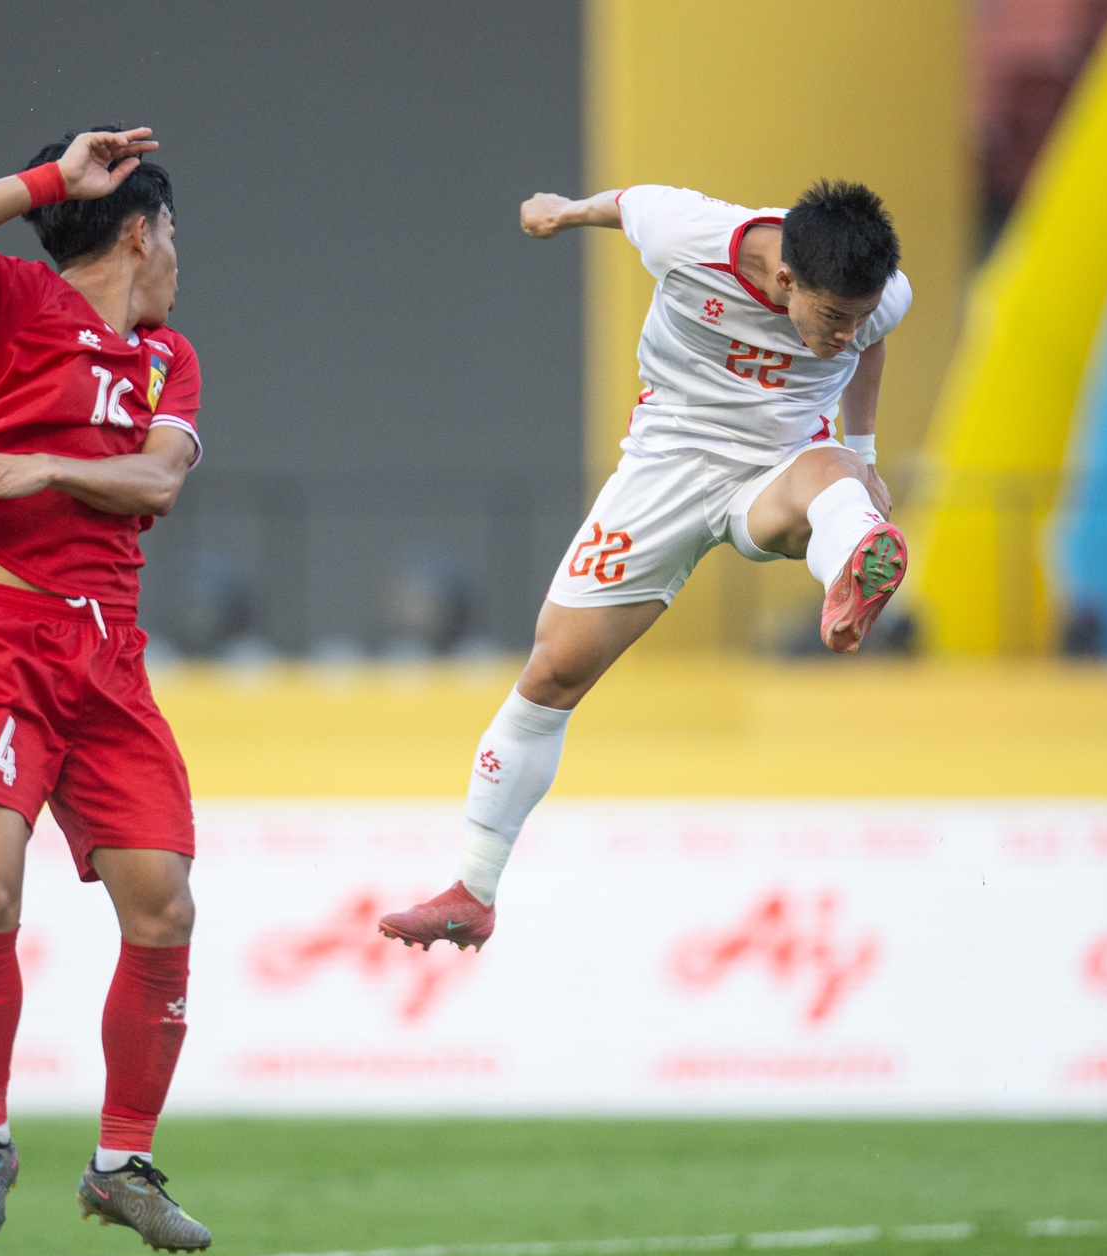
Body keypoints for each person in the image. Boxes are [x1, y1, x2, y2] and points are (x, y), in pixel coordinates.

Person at [379, 180, 911, 951]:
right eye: (833, 319)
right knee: (552, 671)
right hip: (666, 464)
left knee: (831, 477)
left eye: (860, 320)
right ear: (786, 280)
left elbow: (873, 343)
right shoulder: (687, 235)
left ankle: (853, 558)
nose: (844, 337)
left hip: (780, 466)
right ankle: (473, 889)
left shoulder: (877, 300)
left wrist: (863, 455)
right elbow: (623, 204)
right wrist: (558, 211)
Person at [0, 126, 211, 1253]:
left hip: (108, 656)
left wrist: (49, 466)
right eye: (173, 233)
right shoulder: (17, 303)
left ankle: (121, 1164)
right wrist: (45, 184)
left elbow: (159, 480)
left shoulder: (170, 357)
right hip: (4, 633)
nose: (179, 258)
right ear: (142, 229)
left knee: (165, 904)